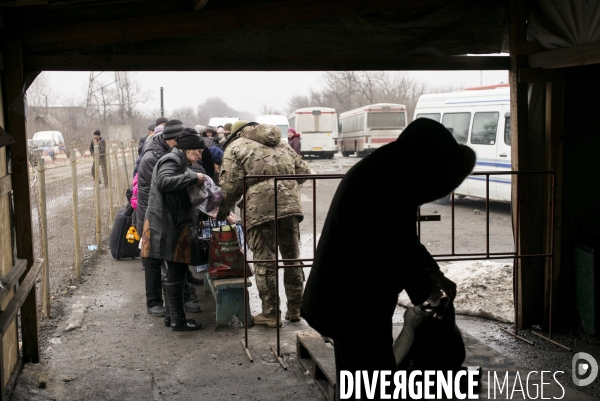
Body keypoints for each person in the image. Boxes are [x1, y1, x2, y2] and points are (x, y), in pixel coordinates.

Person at [301, 118, 474, 398]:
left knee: (360, 379)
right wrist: (431, 296)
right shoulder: (389, 181)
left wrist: (434, 275)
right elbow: (398, 246)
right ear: (426, 159)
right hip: (351, 300)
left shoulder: (388, 169)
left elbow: (406, 240)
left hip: (351, 297)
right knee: (371, 383)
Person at [218, 121, 311, 327]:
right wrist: (286, 188)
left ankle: (270, 314)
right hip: (290, 208)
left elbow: (231, 186)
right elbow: (304, 171)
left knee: (265, 261)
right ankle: (296, 308)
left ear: (236, 134)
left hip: (260, 211)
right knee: (291, 257)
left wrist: (222, 211)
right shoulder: (283, 143)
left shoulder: (236, 147)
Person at [141, 128, 207, 331]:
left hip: (170, 223)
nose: (198, 157)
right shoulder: (172, 160)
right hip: (168, 225)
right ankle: (179, 320)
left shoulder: (178, 160)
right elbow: (163, 182)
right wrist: (193, 178)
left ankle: (173, 316)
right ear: (186, 150)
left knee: (176, 270)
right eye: (196, 153)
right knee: (176, 271)